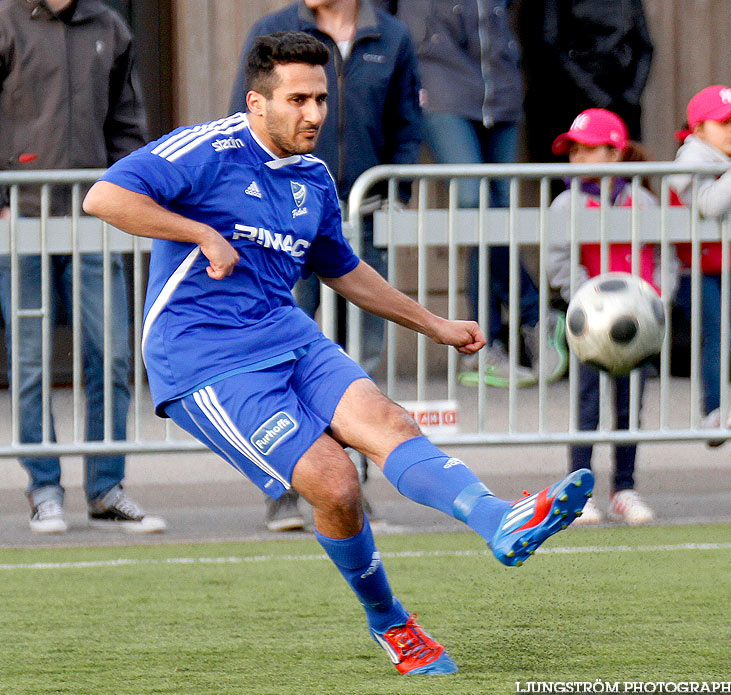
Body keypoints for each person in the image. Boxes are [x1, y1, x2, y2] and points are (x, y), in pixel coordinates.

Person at [83, 31, 592, 675]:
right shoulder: (207, 149)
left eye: (321, 99)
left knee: (391, 425)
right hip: (204, 359)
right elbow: (103, 196)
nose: (315, 115)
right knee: (336, 483)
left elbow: (342, 269)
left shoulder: (314, 177)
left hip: (288, 335)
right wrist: (199, 232)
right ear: (256, 103)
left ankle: (501, 521)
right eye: (298, 100)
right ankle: (392, 623)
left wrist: (432, 322)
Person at [229, 0, 422, 531]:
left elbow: (408, 124)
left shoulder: (392, 36)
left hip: (361, 211)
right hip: (280, 222)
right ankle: (287, 490)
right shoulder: (272, 30)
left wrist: (393, 190)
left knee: (363, 363)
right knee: (280, 360)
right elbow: (240, 121)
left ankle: (353, 488)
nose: (313, 108)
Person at [0, 0, 165, 534]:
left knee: (109, 353)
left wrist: (126, 194)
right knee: (30, 360)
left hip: (93, 220)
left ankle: (106, 489)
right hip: (18, 219)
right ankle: (44, 489)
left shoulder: (109, 25)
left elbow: (127, 123)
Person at [376, 0, 568, 388]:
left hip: (501, 86)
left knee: (495, 214)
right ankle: (532, 315)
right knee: (472, 201)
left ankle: (487, 344)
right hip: (440, 84)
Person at [548, 108, 676, 525]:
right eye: (574, 152)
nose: (580, 160)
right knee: (587, 407)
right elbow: (560, 262)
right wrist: (588, 304)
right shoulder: (566, 202)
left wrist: (654, 302)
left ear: (615, 152)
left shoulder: (642, 198)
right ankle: (579, 493)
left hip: (637, 328)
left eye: (589, 150)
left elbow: (663, 256)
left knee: (628, 409)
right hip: (591, 328)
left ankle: (625, 489)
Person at [669, 85, 731, 446]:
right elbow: (710, 204)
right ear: (699, 129)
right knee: (717, 338)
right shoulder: (690, 158)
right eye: (724, 122)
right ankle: (713, 414)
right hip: (695, 269)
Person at [521, 0, 653, 166]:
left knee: (626, 177)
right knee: (573, 179)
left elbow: (645, 46)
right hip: (570, 102)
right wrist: (595, 94)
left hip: (622, 102)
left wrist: (631, 94)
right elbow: (550, 43)